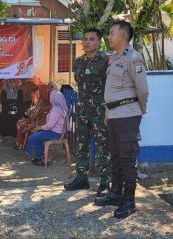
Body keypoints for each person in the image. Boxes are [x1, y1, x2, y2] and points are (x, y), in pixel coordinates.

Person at [94, 21, 149, 219]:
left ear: (123, 36)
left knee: (127, 160)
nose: (108, 37)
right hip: (115, 115)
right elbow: (113, 92)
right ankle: (116, 194)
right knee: (115, 157)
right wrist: (109, 114)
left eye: (111, 33)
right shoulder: (116, 58)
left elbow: (142, 89)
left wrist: (140, 110)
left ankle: (129, 201)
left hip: (127, 115)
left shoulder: (133, 58)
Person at [64, 28, 112, 200]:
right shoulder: (78, 62)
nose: (87, 42)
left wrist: (108, 110)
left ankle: (104, 184)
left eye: (92, 39)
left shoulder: (106, 60)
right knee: (81, 145)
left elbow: (111, 86)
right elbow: (79, 83)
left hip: (100, 111)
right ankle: (81, 179)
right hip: (83, 110)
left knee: (103, 147)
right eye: (85, 39)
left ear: (99, 42)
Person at [25, 90, 68, 166]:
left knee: (32, 137)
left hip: (54, 133)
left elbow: (49, 125)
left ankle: (41, 158)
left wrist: (40, 127)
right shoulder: (60, 108)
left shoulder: (56, 110)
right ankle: (40, 157)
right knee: (35, 134)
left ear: (54, 98)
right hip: (56, 132)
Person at [15, 84, 51, 149]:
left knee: (22, 124)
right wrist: (31, 113)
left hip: (40, 123)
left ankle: (22, 144)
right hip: (35, 120)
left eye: (40, 91)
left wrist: (31, 117)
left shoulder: (47, 104)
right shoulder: (41, 100)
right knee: (20, 121)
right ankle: (22, 143)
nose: (38, 92)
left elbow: (40, 116)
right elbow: (35, 111)